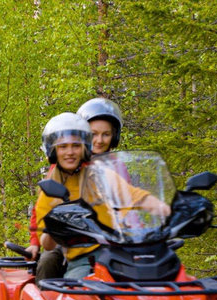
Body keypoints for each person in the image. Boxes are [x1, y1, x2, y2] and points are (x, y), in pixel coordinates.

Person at [34, 112, 170, 279]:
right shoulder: (50, 191)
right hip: (84, 261)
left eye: (76, 146)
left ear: (85, 147)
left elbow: (136, 196)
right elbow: (47, 244)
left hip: (120, 255)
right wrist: (55, 227)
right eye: (63, 147)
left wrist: (168, 210)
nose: (70, 152)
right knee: (74, 290)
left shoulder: (101, 175)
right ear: (53, 150)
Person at [26, 98, 126, 280]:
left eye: (106, 134)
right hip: (67, 238)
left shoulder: (117, 166)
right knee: (48, 261)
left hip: (107, 238)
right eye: (93, 134)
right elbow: (41, 209)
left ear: (114, 136)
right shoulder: (65, 166)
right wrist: (35, 242)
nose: (99, 140)